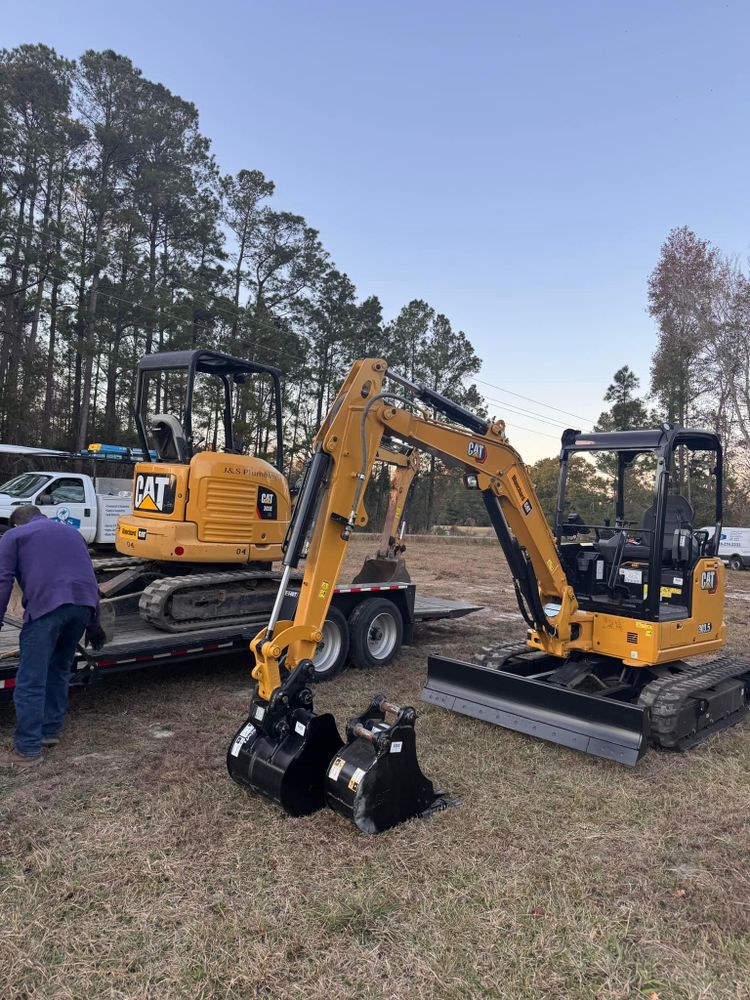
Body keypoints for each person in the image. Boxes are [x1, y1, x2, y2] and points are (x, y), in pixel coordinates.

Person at [0, 505, 106, 767]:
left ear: (16, 524)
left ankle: (27, 750)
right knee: (59, 669)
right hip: (82, 607)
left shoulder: (14, 536)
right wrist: (95, 623)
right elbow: (90, 579)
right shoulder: (73, 533)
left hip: (47, 607)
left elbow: (2, 579)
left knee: (31, 679)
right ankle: (49, 732)